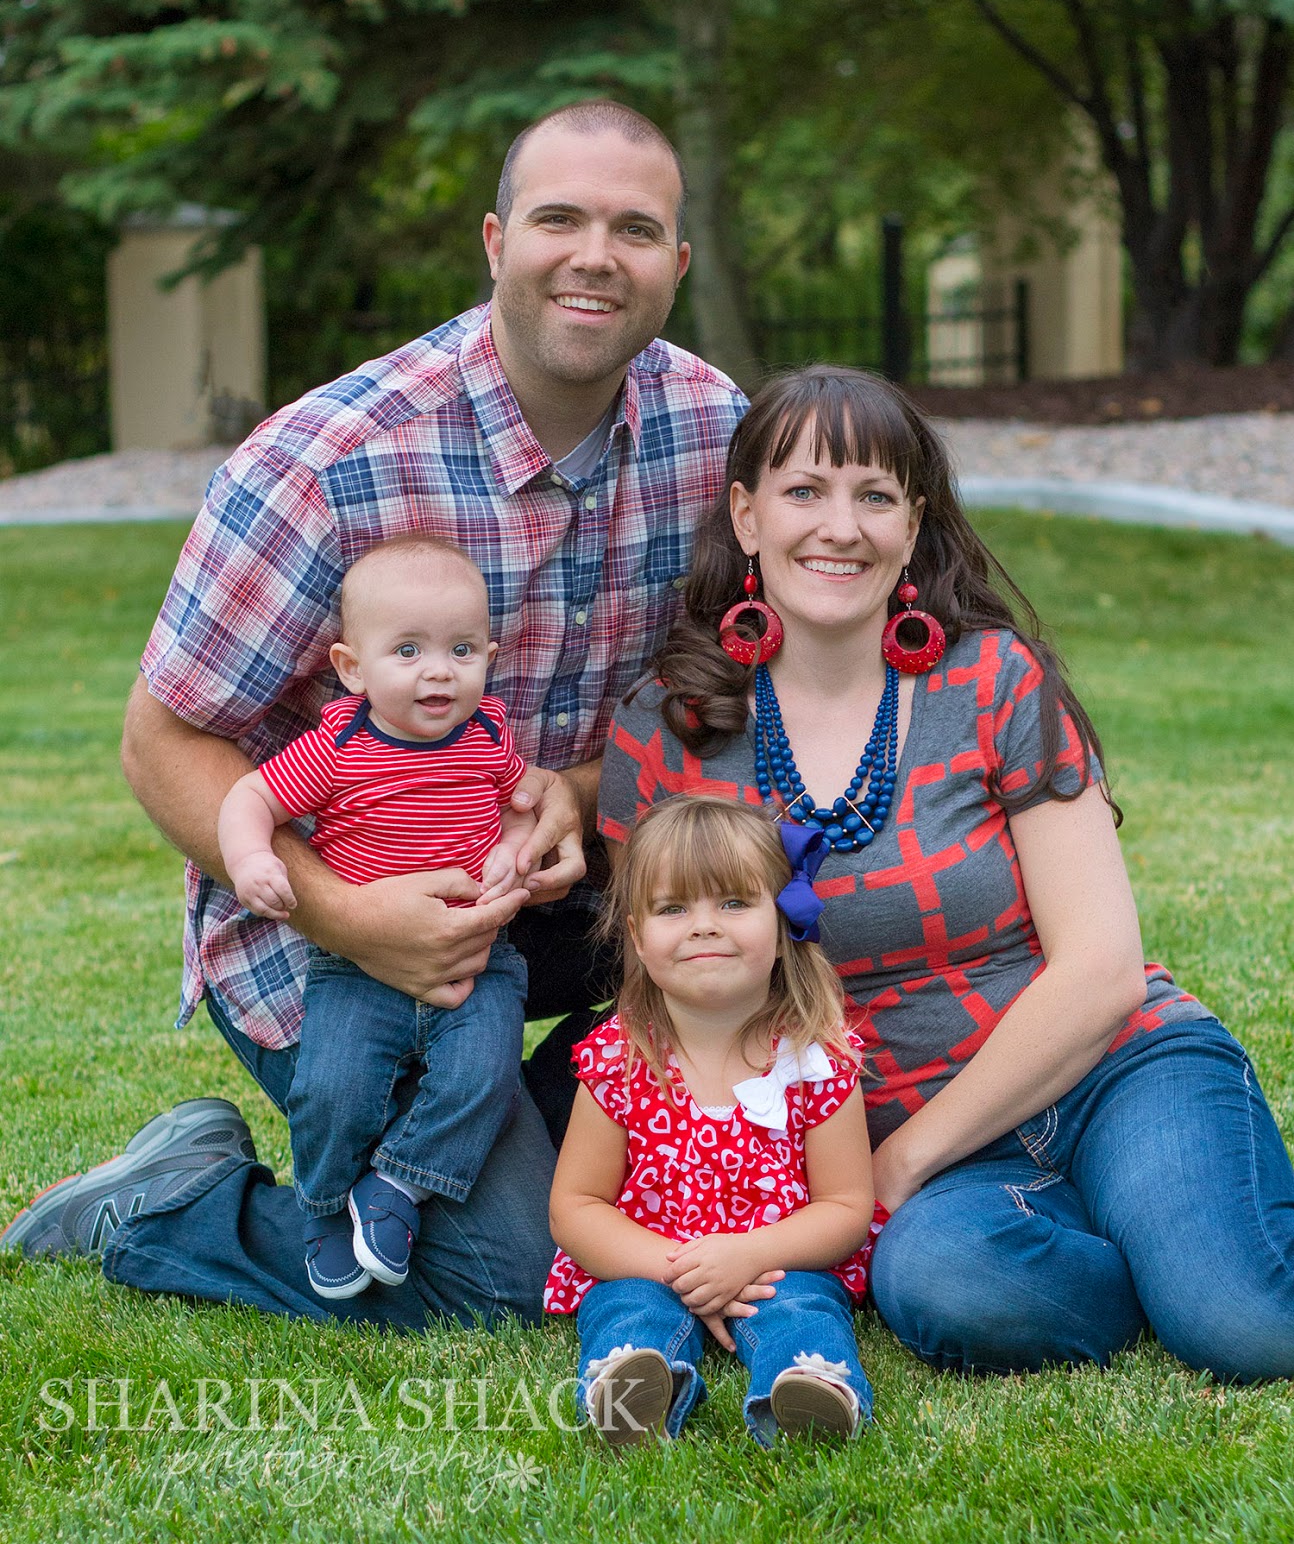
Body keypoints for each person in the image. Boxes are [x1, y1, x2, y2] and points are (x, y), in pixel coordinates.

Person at [1, 101, 747, 1332]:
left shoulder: (714, 432)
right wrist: (349, 918)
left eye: (633, 229)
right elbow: (161, 740)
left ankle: (534, 1135)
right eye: (559, 219)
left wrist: (573, 790)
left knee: (774, 1026)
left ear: (677, 260)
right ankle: (174, 1201)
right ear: (496, 242)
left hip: (561, 895)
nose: (594, 256)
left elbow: (719, 686)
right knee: (506, 1275)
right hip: (328, 915)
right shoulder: (330, 459)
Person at [596, 363, 1294, 1383]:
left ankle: (1183, 1243)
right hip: (941, 1167)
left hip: (1106, 1074)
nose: (841, 527)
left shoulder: (993, 679)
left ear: (913, 524)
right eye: (804, 491)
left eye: (875, 496)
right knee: (941, 1283)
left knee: (1245, 1327)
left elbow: (1101, 969)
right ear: (746, 516)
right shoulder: (668, 731)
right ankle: (1150, 1251)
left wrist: (899, 1163)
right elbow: (662, 991)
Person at [217, 536, 533, 1298]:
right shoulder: (340, 747)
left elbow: (523, 800)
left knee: (483, 1077)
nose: (439, 671)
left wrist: (515, 847)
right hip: (359, 965)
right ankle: (324, 1204)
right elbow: (251, 796)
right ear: (352, 668)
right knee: (333, 1088)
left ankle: (397, 1184)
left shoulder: (489, 734)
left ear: (489, 657)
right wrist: (252, 858)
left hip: (477, 960)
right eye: (408, 651)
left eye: (462, 650)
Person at [547, 796, 877, 1447]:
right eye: (674, 908)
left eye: (733, 902)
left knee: (803, 1307)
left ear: (782, 922)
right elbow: (576, 1207)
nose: (703, 926)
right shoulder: (618, 1058)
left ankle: (808, 1389)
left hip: (776, 1264)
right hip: (648, 1261)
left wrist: (749, 1255)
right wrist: (684, 1269)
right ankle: (631, 1388)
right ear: (637, 937)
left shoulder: (816, 1058)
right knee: (626, 1307)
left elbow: (845, 1207)